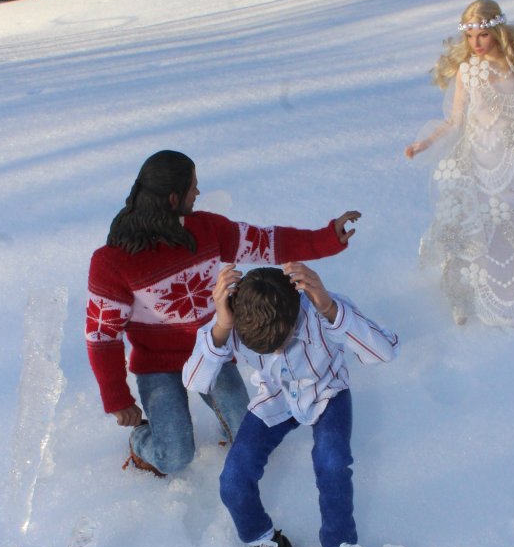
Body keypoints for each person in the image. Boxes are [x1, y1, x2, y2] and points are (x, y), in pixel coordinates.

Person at [86, 149, 361, 476]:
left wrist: (327, 238)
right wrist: (117, 397)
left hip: (211, 348)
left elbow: (267, 243)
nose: (198, 194)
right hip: (156, 366)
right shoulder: (111, 262)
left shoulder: (207, 230)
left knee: (250, 435)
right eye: (193, 187)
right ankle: (142, 442)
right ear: (173, 198)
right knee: (175, 456)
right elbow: (103, 335)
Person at [183, 261, 399, 547]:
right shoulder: (237, 317)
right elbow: (195, 380)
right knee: (233, 479)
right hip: (276, 398)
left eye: (283, 341)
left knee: (333, 466)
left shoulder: (318, 308)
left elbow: (385, 350)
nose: (278, 351)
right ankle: (264, 541)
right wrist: (222, 327)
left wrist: (330, 308)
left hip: (327, 392)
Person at [404, 0, 514, 327]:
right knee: (485, 227)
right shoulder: (467, 71)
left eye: (481, 34)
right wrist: (425, 142)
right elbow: (454, 120)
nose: (475, 43)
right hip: (481, 161)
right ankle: (474, 292)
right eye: (469, 36)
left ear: (496, 30)